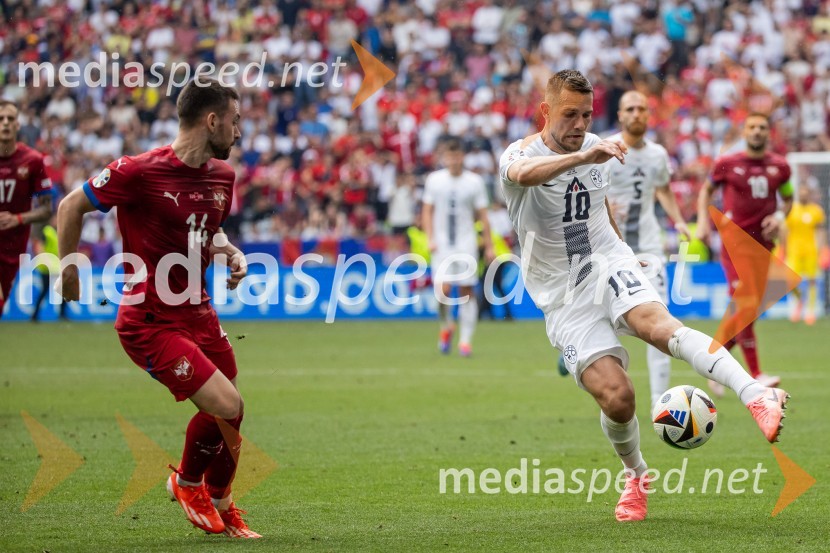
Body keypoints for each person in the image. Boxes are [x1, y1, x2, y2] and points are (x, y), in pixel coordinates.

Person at [499, 70, 789, 522]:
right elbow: (523, 175)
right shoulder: (521, 155)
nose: (579, 124)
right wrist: (584, 156)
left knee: (657, 326)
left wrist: (627, 257)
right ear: (546, 112)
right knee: (617, 397)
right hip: (563, 294)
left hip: (611, 263)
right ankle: (636, 475)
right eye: (569, 115)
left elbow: (601, 212)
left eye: (586, 115)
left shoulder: (595, 148)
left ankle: (756, 395)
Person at [57, 79, 260, 539]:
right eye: (236, 121)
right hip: (150, 320)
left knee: (231, 411)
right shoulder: (138, 172)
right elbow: (71, 206)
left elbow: (205, 228)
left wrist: (229, 251)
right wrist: (69, 272)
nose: (240, 131)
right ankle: (188, 485)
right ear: (213, 121)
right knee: (228, 404)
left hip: (199, 312)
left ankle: (224, 503)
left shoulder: (223, 177)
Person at [598, 90, 690, 409]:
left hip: (650, 249)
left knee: (660, 322)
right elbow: (591, 195)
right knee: (603, 320)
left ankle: (658, 404)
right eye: (630, 109)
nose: (636, 114)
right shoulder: (605, 151)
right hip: (610, 250)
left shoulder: (658, 155)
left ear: (648, 115)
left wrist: (677, 220)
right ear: (620, 115)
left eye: (642, 109)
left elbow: (663, 189)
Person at [696, 113, 794, 392]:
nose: (757, 131)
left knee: (747, 309)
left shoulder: (781, 167)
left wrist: (779, 217)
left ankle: (712, 362)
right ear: (744, 131)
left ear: (768, 132)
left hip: (763, 244)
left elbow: (788, 199)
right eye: (752, 127)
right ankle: (756, 373)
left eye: (762, 127)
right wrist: (704, 221)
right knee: (746, 304)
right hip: (734, 242)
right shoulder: (727, 163)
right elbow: (706, 191)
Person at [422, 139, 494, 357]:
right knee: (442, 292)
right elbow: (427, 211)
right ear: (445, 158)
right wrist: (430, 237)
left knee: (466, 291)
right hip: (442, 245)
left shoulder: (474, 182)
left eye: (457, 156)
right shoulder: (434, 180)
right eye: (450, 156)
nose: (453, 160)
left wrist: (489, 246)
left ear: (462, 157)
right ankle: (446, 327)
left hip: (466, 244)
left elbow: (483, 215)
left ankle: (465, 341)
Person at [0, 100, 53, 318]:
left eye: (10, 119)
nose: (5, 123)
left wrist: (18, 218)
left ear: (17, 125)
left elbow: (46, 209)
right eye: (1, 119)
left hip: (11, 248)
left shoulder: (32, 161)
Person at [785, 184, 827, 325]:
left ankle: (810, 312)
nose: (803, 195)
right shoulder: (791, 210)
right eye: (801, 193)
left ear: (808, 194)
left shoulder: (816, 211)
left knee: (812, 280)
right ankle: (799, 301)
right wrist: (782, 249)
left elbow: (821, 231)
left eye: (805, 193)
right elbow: (785, 231)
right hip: (794, 250)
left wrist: (822, 248)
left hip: (811, 250)